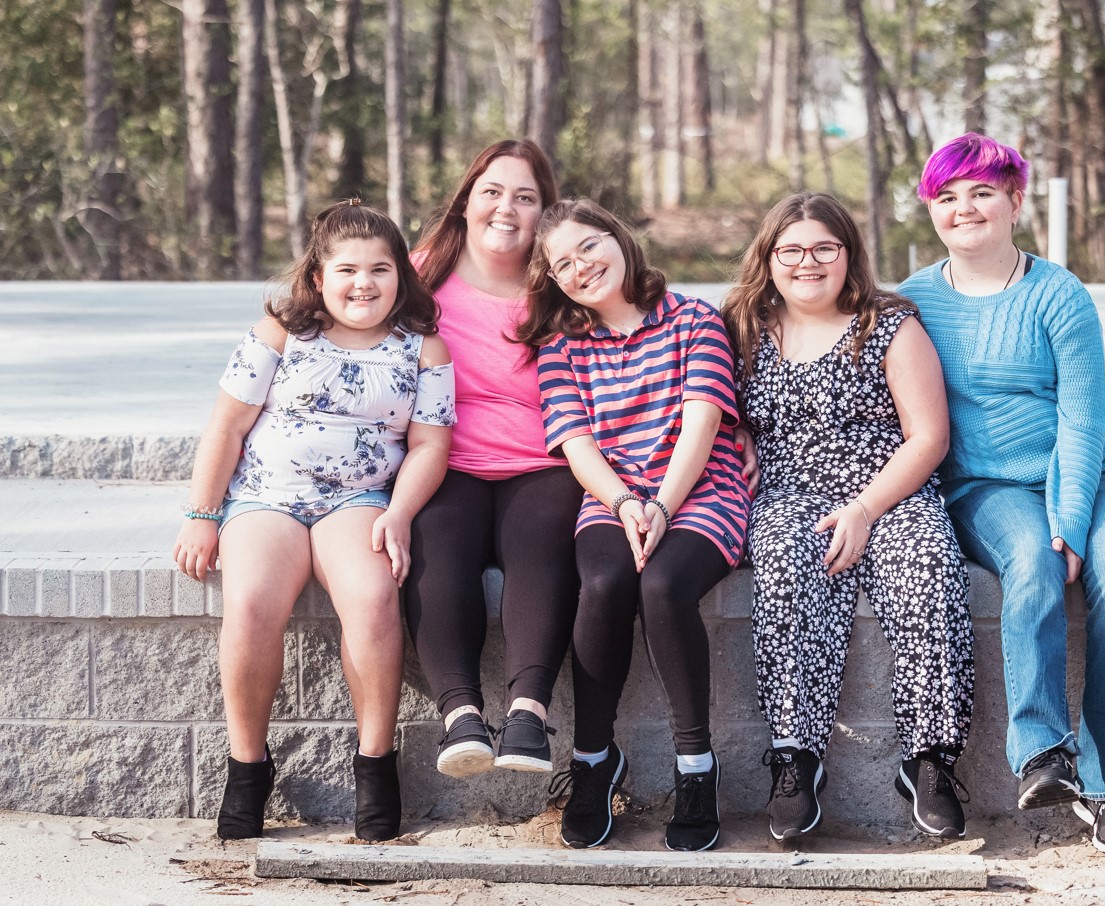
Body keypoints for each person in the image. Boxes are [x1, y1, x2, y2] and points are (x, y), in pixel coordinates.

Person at [899, 132, 1105, 860]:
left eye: (981, 192)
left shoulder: (1058, 294)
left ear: (1015, 201)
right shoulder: (912, 301)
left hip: (1088, 471)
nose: (963, 208)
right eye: (946, 197)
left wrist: (1070, 519)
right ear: (930, 211)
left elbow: (1079, 416)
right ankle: (1041, 753)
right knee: (1033, 566)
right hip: (983, 484)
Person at [172, 201, 455, 842]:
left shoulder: (424, 347)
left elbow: (430, 446)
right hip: (267, 496)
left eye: (381, 269)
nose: (364, 283)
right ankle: (247, 769)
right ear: (319, 275)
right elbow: (228, 424)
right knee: (248, 604)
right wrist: (200, 514)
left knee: (376, 597)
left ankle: (376, 766)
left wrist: (401, 513)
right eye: (348, 269)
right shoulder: (281, 332)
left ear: (401, 276)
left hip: (358, 502)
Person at [721, 192, 976, 842]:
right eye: (792, 250)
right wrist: (739, 435)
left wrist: (864, 509)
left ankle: (929, 759)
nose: (808, 262)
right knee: (782, 563)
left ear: (847, 254)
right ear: (769, 259)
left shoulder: (888, 324)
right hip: (788, 496)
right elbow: (712, 403)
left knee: (926, 566)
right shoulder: (744, 325)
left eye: (823, 248)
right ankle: (795, 759)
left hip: (888, 493)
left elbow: (928, 437)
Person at [515, 199, 751, 852]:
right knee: (603, 582)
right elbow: (576, 443)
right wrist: (624, 502)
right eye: (561, 263)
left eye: (588, 246)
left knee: (662, 586)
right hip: (611, 497)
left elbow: (702, 419)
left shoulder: (693, 320)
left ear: (618, 239)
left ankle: (695, 766)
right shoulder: (561, 348)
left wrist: (663, 506)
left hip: (701, 491)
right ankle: (593, 759)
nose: (579, 266)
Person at [404, 140, 584, 782]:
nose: (506, 208)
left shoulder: (562, 284)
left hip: (542, 460)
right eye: (492, 192)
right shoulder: (418, 273)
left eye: (526, 197)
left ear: (545, 214)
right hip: (442, 455)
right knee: (433, 536)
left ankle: (529, 715)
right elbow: (332, 308)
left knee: (543, 541)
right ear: (467, 200)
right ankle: (462, 717)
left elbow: (642, 325)